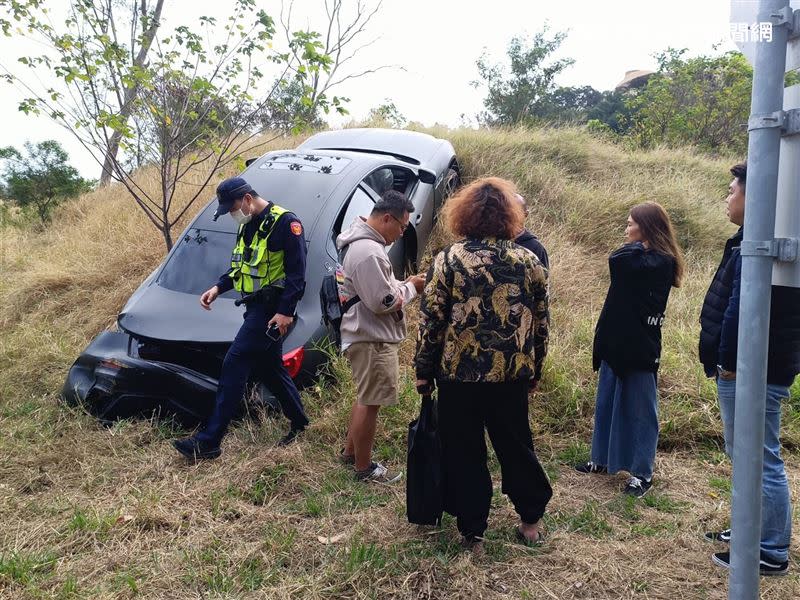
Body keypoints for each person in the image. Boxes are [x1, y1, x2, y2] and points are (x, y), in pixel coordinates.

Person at [414, 176, 551, 553]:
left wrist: (423, 371)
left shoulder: (448, 259)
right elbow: (541, 322)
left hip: (459, 376)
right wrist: (535, 369)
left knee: (464, 451)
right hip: (511, 375)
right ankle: (530, 520)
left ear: (465, 215)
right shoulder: (529, 260)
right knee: (516, 446)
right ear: (510, 216)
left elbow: (431, 321)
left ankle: (472, 531)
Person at [699, 162, 800, 576]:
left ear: (751, 196)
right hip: (751, 367)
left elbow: (743, 314)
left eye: (731, 190)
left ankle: (771, 550)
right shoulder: (751, 242)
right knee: (747, 455)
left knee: (760, 457)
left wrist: (730, 367)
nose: (727, 197)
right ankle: (748, 529)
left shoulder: (761, 248)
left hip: (752, 370)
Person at [173, 177, 310, 460]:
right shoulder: (247, 226)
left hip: (270, 310)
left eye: (233, 207)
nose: (232, 214)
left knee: (234, 365)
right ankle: (300, 422)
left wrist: (285, 312)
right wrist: (218, 286)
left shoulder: (286, 223)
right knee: (271, 368)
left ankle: (209, 441)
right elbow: (241, 267)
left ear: (247, 199)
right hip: (254, 308)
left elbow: (297, 274)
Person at [575, 202, 684, 498]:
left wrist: (640, 246)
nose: (626, 229)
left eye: (630, 224)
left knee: (642, 411)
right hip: (615, 341)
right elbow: (620, 262)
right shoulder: (639, 255)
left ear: (646, 228)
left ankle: (642, 473)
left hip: (640, 346)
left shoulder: (661, 261)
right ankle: (602, 459)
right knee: (607, 403)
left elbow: (619, 261)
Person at [337, 190, 425, 482]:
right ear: (387, 218)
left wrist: (402, 283)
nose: (401, 233)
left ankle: (350, 453)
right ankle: (365, 469)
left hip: (365, 332)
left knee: (366, 396)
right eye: (401, 227)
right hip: (371, 336)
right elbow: (383, 302)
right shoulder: (369, 252)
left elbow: (379, 288)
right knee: (370, 402)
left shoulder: (364, 245)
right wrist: (411, 288)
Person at [513, 193, 549, 269]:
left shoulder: (535, 247)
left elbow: (543, 279)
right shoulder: (491, 240)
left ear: (526, 214)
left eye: (515, 211)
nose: (510, 214)